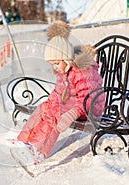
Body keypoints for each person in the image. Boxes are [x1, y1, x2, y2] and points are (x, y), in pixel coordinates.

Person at [10, 21, 105, 169]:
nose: (55, 67)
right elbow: (59, 92)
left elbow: (90, 97)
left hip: (89, 107)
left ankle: (38, 150)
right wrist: (51, 103)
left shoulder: (82, 70)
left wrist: (73, 112)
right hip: (74, 104)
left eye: (56, 63)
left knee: (56, 114)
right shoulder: (64, 71)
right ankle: (25, 140)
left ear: (66, 58)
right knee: (45, 107)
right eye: (52, 64)